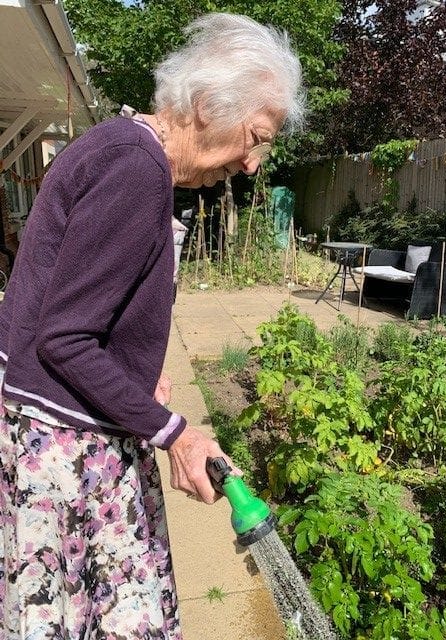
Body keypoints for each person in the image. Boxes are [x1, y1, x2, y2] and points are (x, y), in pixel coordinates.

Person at [0, 12, 305, 640]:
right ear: (203, 105)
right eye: (255, 136)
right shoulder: (135, 169)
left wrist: (142, 385)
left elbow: (91, 314)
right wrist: (178, 436)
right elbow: (65, 338)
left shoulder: (122, 149)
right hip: (66, 453)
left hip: (60, 432)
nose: (252, 164)